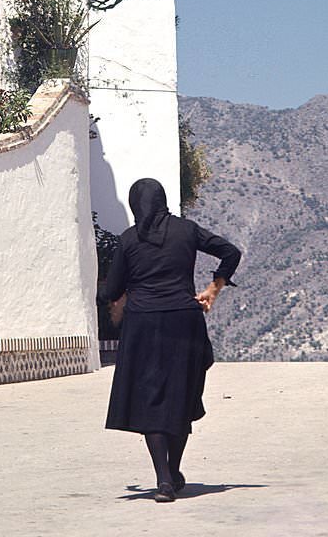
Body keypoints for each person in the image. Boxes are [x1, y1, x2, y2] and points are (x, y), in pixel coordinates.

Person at [104, 177, 242, 503]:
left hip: (142, 327)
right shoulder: (187, 230)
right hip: (184, 323)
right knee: (180, 397)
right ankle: (174, 469)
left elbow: (112, 290)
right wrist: (213, 289)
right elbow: (230, 252)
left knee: (150, 401)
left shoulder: (129, 239)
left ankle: (164, 479)